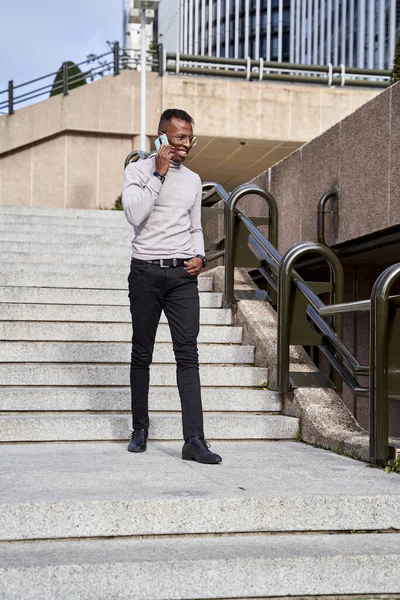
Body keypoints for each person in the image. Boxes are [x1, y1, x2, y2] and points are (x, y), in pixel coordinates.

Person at [122, 108, 222, 464]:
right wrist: (159, 175)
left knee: (188, 354)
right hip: (146, 272)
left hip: (182, 277)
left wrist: (201, 256)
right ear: (162, 136)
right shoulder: (137, 171)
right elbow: (134, 214)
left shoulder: (194, 180)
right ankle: (140, 429)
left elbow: (195, 226)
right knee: (142, 353)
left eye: (189, 138)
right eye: (179, 137)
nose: (185, 145)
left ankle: (194, 440)